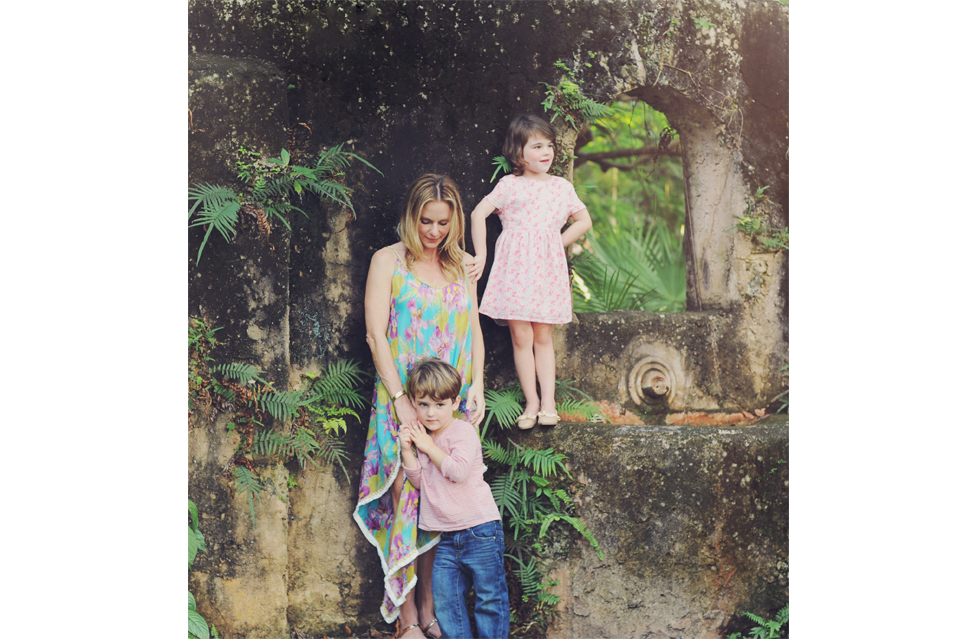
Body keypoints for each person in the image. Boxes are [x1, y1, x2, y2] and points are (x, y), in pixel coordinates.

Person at [355, 174, 486, 639]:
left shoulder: (461, 266)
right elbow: (376, 335)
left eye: (443, 223)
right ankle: (406, 616)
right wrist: (399, 402)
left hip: (449, 407)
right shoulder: (387, 261)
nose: (433, 232)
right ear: (413, 215)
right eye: (426, 221)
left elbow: (472, 330)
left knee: (437, 503)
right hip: (402, 401)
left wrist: (479, 386)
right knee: (403, 497)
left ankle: (429, 607)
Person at [467, 114, 592, 429]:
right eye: (537, 146)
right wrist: (481, 254)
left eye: (549, 145)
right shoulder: (509, 185)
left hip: (545, 272)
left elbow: (584, 221)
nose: (546, 152)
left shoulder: (561, 188)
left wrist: (554, 245)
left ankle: (548, 401)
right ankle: (531, 401)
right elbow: (478, 212)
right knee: (520, 335)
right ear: (518, 152)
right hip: (515, 272)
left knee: (542, 335)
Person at [399, 358, 509, 639]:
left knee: (490, 600)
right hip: (447, 537)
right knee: (446, 602)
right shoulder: (424, 438)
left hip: (480, 529)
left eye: (439, 405)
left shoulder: (462, 431)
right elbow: (422, 483)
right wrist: (408, 450)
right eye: (423, 405)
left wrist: (426, 445)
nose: (431, 413)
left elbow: (458, 471)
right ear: (413, 403)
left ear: (455, 402)